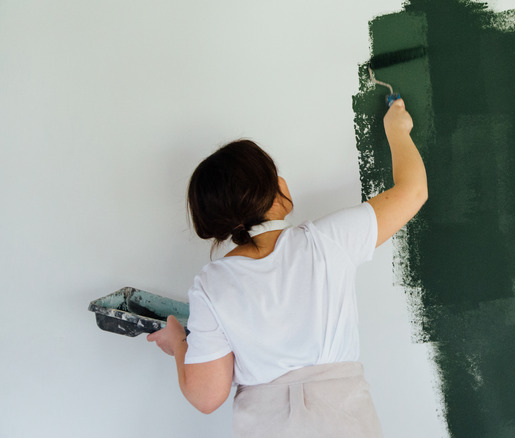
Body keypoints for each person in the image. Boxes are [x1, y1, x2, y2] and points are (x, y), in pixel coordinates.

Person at [147, 99, 427, 437]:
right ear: (277, 192)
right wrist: (397, 130)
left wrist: (178, 341)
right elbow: (413, 191)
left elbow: (207, 396)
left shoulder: (213, 285)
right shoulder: (328, 240)